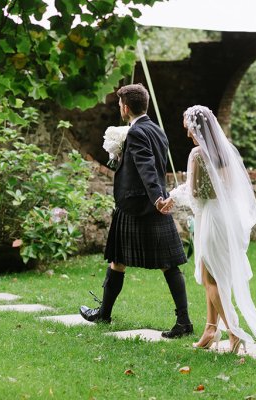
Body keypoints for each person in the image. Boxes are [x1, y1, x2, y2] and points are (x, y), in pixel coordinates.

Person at [165, 105, 256, 353]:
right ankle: (210, 329)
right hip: (226, 216)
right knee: (215, 274)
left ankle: (233, 330)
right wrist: (178, 195)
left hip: (210, 217)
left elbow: (197, 194)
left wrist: (174, 198)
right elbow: (226, 190)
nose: (187, 134)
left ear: (197, 128)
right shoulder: (223, 152)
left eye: (188, 128)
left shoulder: (197, 154)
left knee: (211, 279)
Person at [80, 84, 193, 339]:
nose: (120, 108)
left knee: (126, 261)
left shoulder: (138, 133)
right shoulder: (156, 130)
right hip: (147, 204)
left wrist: (157, 199)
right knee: (160, 263)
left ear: (126, 107)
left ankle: (105, 314)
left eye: (120, 105)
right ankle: (182, 321)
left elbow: (147, 168)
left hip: (137, 206)